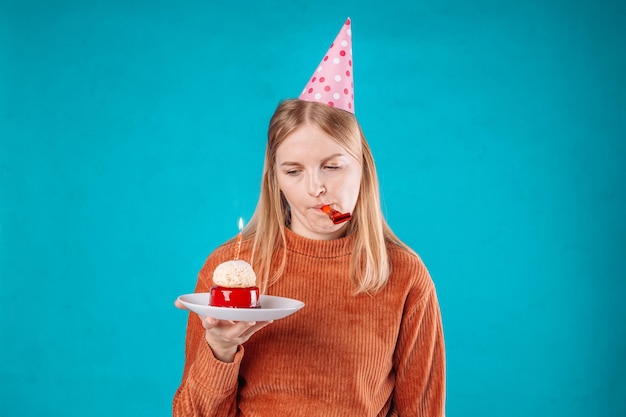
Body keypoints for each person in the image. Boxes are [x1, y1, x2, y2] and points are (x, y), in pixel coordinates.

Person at [173, 18, 445, 416]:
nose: (315, 188)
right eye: (294, 171)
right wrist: (221, 349)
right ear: (275, 180)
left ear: (363, 169)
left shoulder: (404, 275)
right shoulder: (231, 269)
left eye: (332, 167)